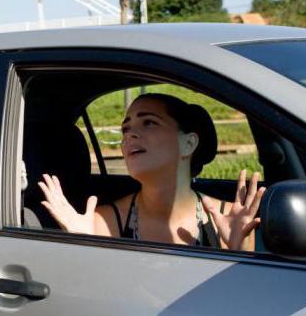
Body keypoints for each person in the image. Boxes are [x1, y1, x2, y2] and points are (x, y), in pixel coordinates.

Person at [39, 93, 265, 251]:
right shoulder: (105, 221)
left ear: (188, 144)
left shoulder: (228, 220)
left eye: (148, 123)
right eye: (125, 128)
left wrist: (239, 251)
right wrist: (83, 245)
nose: (130, 135)